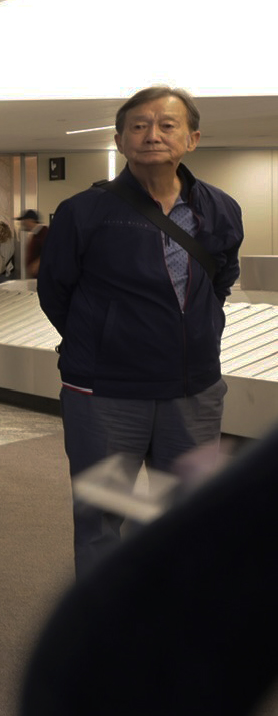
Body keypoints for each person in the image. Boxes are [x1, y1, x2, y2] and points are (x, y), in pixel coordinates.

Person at [38, 85, 243, 579]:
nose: (152, 135)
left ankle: (176, 634)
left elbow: (222, 277)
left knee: (188, 516)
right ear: (119, 139)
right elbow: (55, 291)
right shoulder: (82, 212)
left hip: (192, 394)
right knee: (102, 519)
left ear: (192, 139)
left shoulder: (218, 209)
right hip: (105, 395)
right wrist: (106, 338)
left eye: (167, 125)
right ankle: (104, 639)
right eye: (139, 125)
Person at [19, 208, 49, 281]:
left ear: (29, 220)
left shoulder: (43, 232)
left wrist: (36, 264)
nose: (22, 223)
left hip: (42, 276)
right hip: (36, 276)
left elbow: (49, 250)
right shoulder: (35, 234)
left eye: (23, 221)